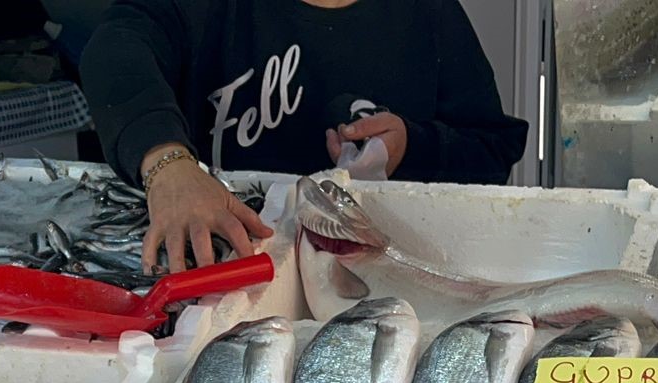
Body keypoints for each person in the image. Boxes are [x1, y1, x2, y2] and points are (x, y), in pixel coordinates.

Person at [81, 0, 529, 272]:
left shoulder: (431, 14)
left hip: (383, 283)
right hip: (231, 279)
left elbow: (491, 149)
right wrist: (167, 162)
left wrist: (411, 146)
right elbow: (117, 47)